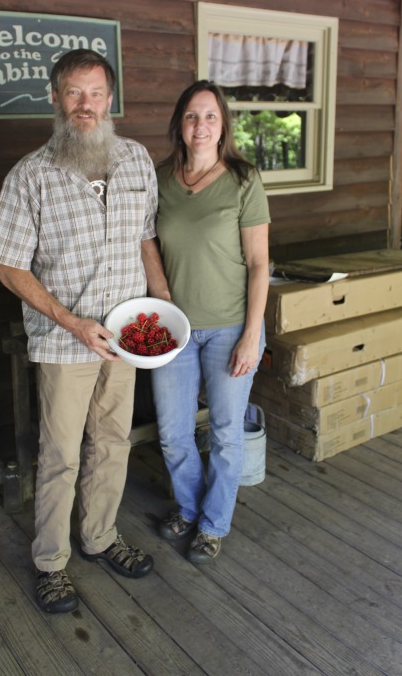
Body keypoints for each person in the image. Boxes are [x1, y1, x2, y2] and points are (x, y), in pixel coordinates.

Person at [0, 49, 170, 613]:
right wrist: (69, 320)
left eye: (94, 93)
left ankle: (100, 537)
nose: (84, 104)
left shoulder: (136, 160)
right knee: (61, 452)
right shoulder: (31, 175)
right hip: (65, 342)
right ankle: (51, 563)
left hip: (128, 334)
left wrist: (160, 298)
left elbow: (145, 238)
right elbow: (7, 266)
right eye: (73, 93)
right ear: (56, 100)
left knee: (113, 440)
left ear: (110, 99)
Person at [151, 79, 270, 564]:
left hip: (230, 328)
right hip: (173, 329)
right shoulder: (159, 178)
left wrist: (250, 336)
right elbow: (145, 242)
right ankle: (189, 505)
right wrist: (161, 298)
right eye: (192, 116)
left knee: (225, 431)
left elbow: (260, 263)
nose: (201, 125)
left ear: (223, 126)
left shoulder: (244, 179)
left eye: (211, 116)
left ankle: (213, 524)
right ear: (180, 125)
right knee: (173, 432)